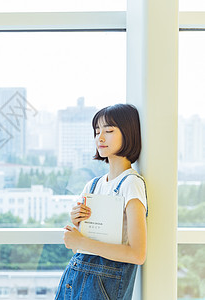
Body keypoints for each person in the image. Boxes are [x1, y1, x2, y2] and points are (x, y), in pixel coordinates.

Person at [54, 104, 148, 300]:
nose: (100, 138)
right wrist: (76, 225)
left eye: (109, 131)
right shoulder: (92, 185)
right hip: (75, 276)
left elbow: (137, 254)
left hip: (102, 286)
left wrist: (81, 241)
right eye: (97, 132)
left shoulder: (131, 183)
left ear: (129, 134)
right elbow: (79, 248)